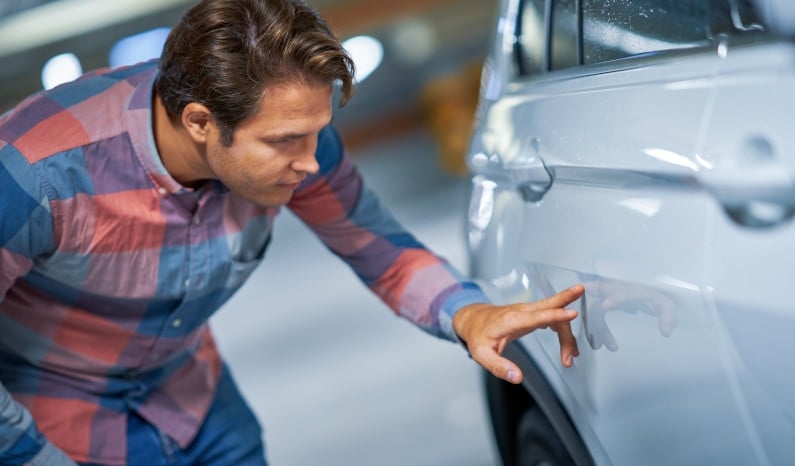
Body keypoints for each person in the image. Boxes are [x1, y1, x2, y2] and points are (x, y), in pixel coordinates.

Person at [0, 0, 584, 464]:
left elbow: (375, 246)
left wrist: (469, 314)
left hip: (195, 405)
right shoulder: (34, 174)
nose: (311, 163)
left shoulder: (296, 138)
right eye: (283, 143)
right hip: (52, 425)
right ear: (200, 122)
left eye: (317, 132)